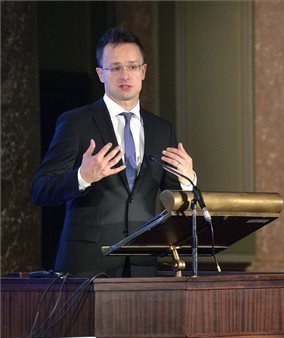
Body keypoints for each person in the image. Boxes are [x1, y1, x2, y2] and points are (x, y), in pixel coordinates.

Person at [31, 27, 196, 277]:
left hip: (142, 263)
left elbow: (173, 201)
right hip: (88, 264)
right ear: (101, 74)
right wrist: (82, 177)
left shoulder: (162, 130)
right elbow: (41, 190)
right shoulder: (76, 123)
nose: (125, 75)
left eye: (132, 67)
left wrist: (187, 179)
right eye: (115, 68)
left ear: (143, 71)